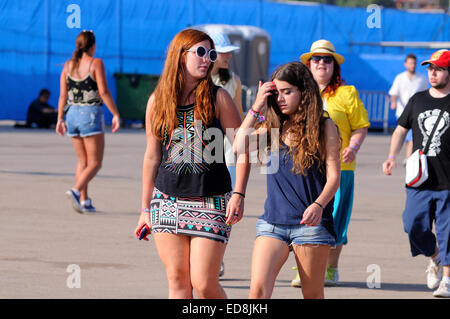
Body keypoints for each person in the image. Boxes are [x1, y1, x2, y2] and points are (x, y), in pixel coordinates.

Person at [134, 29, 250, 299]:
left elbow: (242, 148)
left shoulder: (218, 97)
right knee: (177, 281)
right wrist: (144, 208)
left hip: (211, 201)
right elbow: (152, 156)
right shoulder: (157, 102)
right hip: (167, 201)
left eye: (210, 54)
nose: (207, 60)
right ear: (179, 55)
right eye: (200, 52)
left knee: (203, 283)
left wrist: (239, 194)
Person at [235, 61, 341, 299]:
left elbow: (334, 177)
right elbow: (237, 146)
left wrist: (319, 204)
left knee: (312, 295)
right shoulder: (273, 127)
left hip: (311, 227)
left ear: (303, 91)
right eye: (277, 93)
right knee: (257, 293)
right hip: (272, 224)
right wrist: (257, 105)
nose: (281, 99)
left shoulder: (325, 127)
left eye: (287, 92)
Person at [290, 39, 370, 287]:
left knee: (335, 220)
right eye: (317, 59)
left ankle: (330, 268)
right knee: (304, 219)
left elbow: (360, 127)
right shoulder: (299, 94)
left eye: (327, 60)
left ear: (335, 66)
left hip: (341, 169)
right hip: (307, 168)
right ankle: (304, 269)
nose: (322, 63)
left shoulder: (347, 93)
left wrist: (353, 147)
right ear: (308, 65)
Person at [382, 49, 450, 298]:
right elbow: (400, 130)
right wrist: (392, 156)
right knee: (412, 225)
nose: (432, 72)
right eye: (430, 68)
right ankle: (435, 257)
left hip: (448, 181)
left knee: (447, 231)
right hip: (419, 179)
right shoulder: (417, 99)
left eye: (439, 68)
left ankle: (447, 280)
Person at [56, 30, 120, 214]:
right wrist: (115, 113)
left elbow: (62, 95)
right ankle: (76, 191)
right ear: (93, 46)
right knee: (95, 162)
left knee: (82, 161)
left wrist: (60, 118)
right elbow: (104, 91)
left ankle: (84, 201)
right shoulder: (95, 63)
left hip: (72, 114)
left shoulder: (68, 65)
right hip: (90, 113)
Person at [207, 30, 244, 278]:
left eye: (230, 52)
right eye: (224, 52)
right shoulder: (194, 80)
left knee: (223, 209)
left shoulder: (233, 81)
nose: (228, 56)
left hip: (228, 153)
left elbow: (239, 118)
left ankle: (217, 257)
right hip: (202, 152)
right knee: (204, 206)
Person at [389, 54, 429, 161]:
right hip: (402, 112)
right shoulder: (400, 77)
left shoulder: (422, 78)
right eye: (410, 63)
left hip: (417, 112)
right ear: (405, 64)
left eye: (414, 63)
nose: (413, 65)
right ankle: (394, 157)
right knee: (403, 136)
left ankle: (409, 159)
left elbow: (426, 94)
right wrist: (393, 102)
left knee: (412, 138)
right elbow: (394, 93)